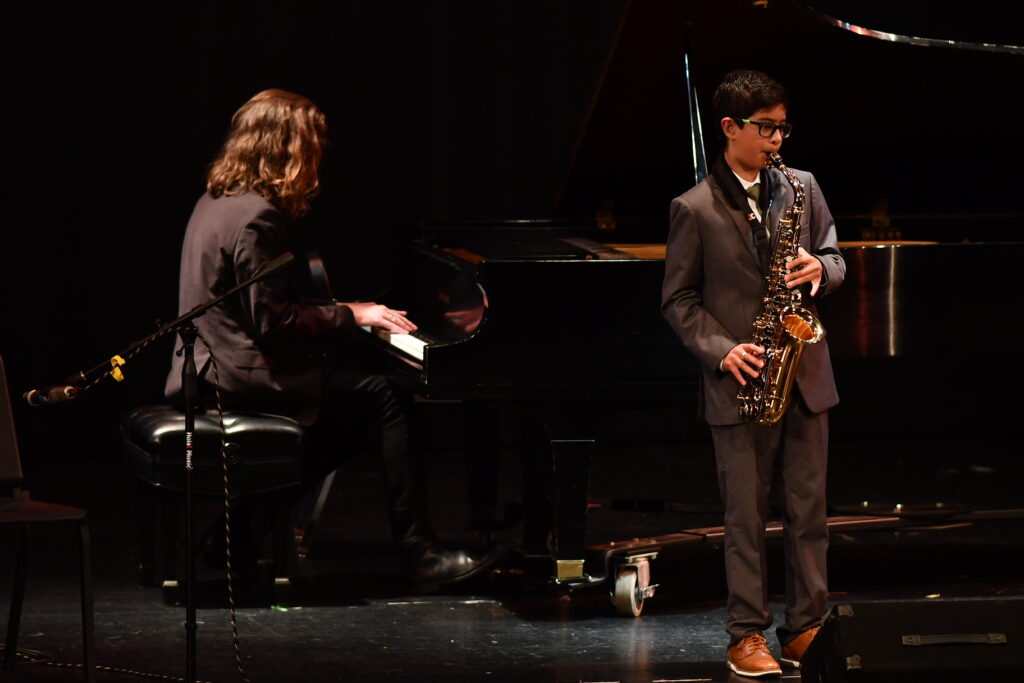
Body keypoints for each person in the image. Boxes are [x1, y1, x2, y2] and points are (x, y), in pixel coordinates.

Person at [164, 88, 496, 591]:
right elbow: (272, 324)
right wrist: (353, 314)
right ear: (286, 148)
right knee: (384, 399)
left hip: (210, 368)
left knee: (343, 419)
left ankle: (237, 535)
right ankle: (418, 553)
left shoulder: (217, 201)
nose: (316, 159)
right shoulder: (257, 217)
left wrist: (342, 318)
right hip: (236, 379)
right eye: (311, 146)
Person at [661, 70, 845, 677]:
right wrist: (722, 349)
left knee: (809, 512)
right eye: (765, 128)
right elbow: (679, 301)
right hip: (741, 379)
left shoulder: (802, 186)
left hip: (805, 374)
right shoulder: (692, 208)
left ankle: (806, 627)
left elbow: (836, 257)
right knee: (745, 516)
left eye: (781, 127)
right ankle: (746, 634)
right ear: (730, 128)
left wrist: (818, 267)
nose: (776, 140)